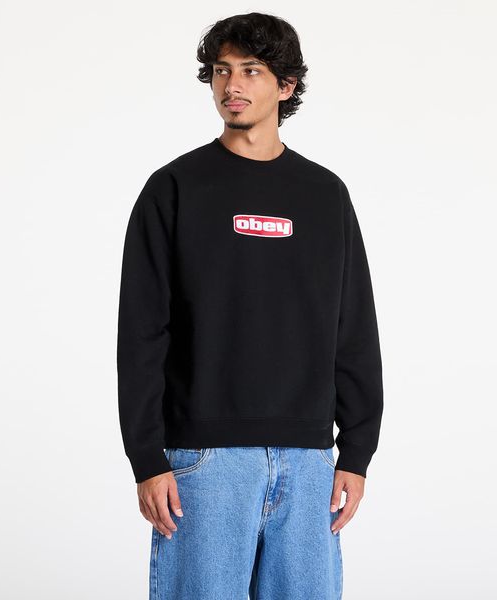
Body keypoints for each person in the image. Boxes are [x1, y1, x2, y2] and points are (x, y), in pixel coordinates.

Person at [116, 12, 383, 600]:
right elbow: (141, 333)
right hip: (203, 461)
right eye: (221, 70)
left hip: (309, 460)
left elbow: (354, 327)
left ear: (286, 85)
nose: (231, 85)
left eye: (251, 71)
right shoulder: (175, 188)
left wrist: (357, 451)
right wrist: (147, 458)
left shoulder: (324, 195)